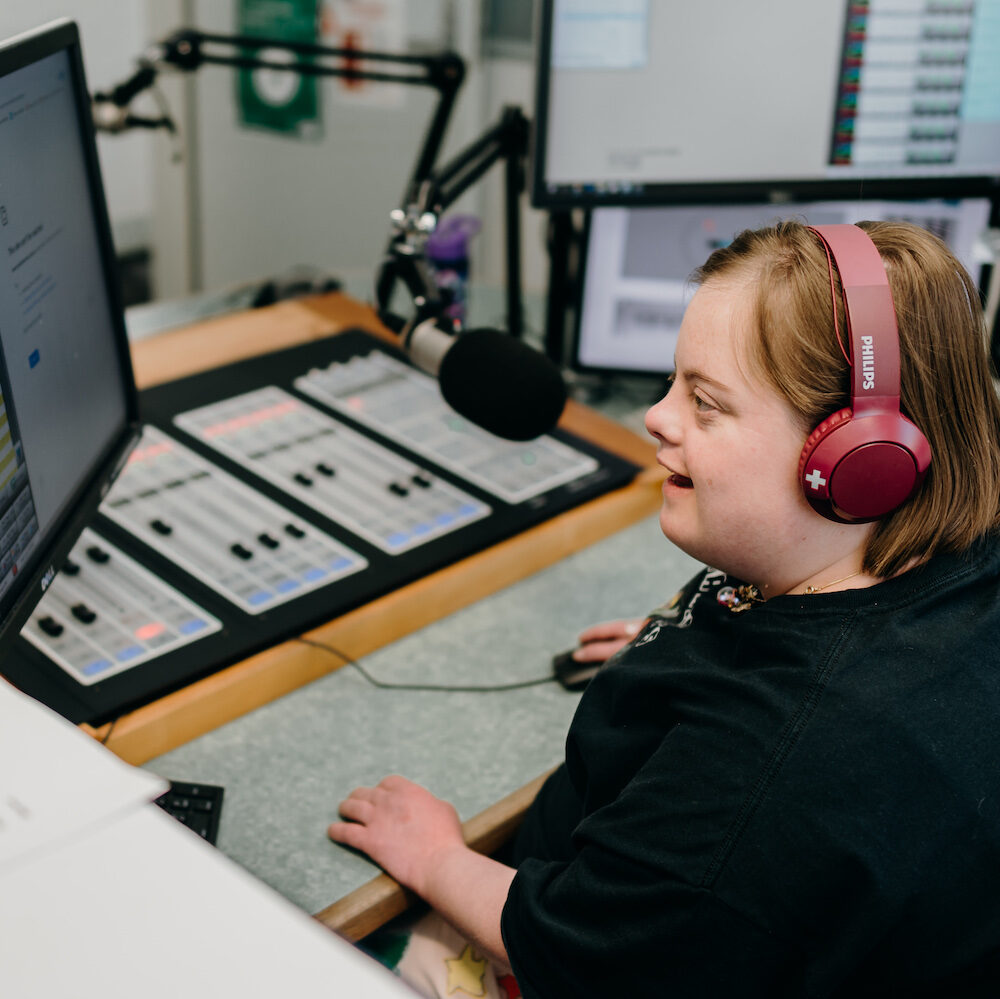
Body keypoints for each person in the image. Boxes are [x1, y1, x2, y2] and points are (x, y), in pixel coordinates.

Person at [328, 220, 1000, 996]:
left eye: (705, 402)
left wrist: (438, 856)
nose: (657, 416)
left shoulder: (767, 772)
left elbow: (578, 946)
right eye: (674, 381)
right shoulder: (941, 552)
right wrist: (691, 641)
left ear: (859, 467)